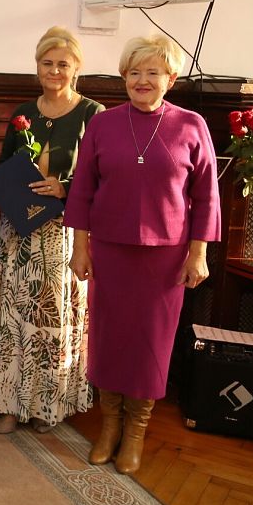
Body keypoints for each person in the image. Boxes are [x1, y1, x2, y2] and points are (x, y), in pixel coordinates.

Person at [66, 33, 220, 475]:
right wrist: (80, 248)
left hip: (166, 259)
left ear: (170, 78)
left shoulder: (192, 125)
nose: (142, 80)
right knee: (108, 340)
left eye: (153, 72)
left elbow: (206, 196)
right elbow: (82, 190)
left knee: (151, 344)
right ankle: (109, 426)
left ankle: (136, 430)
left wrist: (198, 254)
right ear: (124, 78)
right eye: (134, 72)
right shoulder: (103, 124)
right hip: (109, 253)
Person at [0, 27, 103, 435]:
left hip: (64, 233)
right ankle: (7, 405)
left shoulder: (92, 113)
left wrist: (65, 188)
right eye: (47, 63)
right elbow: (4, 163)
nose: (55, 71)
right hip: (17, 231)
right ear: (37, 67)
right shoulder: (23, 111)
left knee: (51, 319)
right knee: (12, 319)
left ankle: (48, 406)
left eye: (63, 64)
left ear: (76, 68)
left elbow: (100, 174)